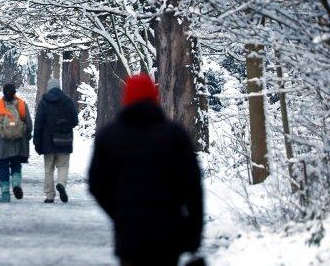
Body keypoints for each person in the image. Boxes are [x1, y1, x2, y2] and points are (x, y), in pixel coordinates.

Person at [88, 74, 203, 266]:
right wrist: (194, 233)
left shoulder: (109, 136)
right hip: (168, 233)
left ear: (126, 98)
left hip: (130, 234)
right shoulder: (175, 136)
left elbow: (96, 184)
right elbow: (193, 189)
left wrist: (119, 211)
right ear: (154, 97)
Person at [34, 78, 79, 203]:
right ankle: (61, 184)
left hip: (47, 141)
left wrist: (37, 141)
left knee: (48, 169)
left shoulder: (44, 102)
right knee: (63, 166)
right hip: (64, 140)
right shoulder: (67, 101)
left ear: (48, 87)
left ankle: (49, 195)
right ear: (59, 87)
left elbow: (38, 123)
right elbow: (75, 121)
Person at [0, 83, 32, 202]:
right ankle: (16, 183)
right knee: (16, 164)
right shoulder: (21, 104)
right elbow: (29, 123)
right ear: (14, 92)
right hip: (17, 141)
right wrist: (27, 135)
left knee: (3, 166)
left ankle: (5, 193)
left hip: (2, 141)